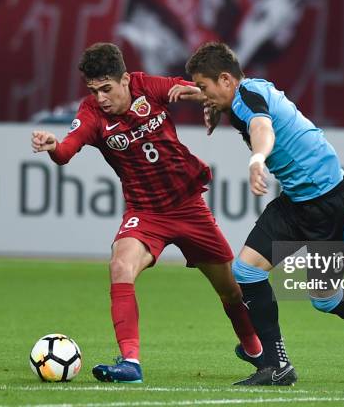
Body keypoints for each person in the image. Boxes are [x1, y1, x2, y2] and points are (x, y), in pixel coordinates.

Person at [31, 42, 262, 384]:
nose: (101, 98)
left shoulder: (145, 86)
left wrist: (216, 103)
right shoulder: (92, 115)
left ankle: (255, 349)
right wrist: (52, 147)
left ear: (125, 80)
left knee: (230, 290)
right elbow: (66, 151)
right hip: (146, 212)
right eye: (94, 91)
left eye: (107, 89)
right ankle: (130, 362)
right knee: (120, 265)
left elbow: (187, 91)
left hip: (189, 207)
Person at [185, 42, 344, 386]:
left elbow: (263, 128)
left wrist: (257, 159)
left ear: (226, 80)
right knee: (246, 271)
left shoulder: (248, 99)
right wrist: (201, 99)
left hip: (332, 208)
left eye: (204, 87)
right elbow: (247, 113)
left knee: (325, 300)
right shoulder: (243, 95)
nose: (203, 95)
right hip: (296, 204)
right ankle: (277, 365)